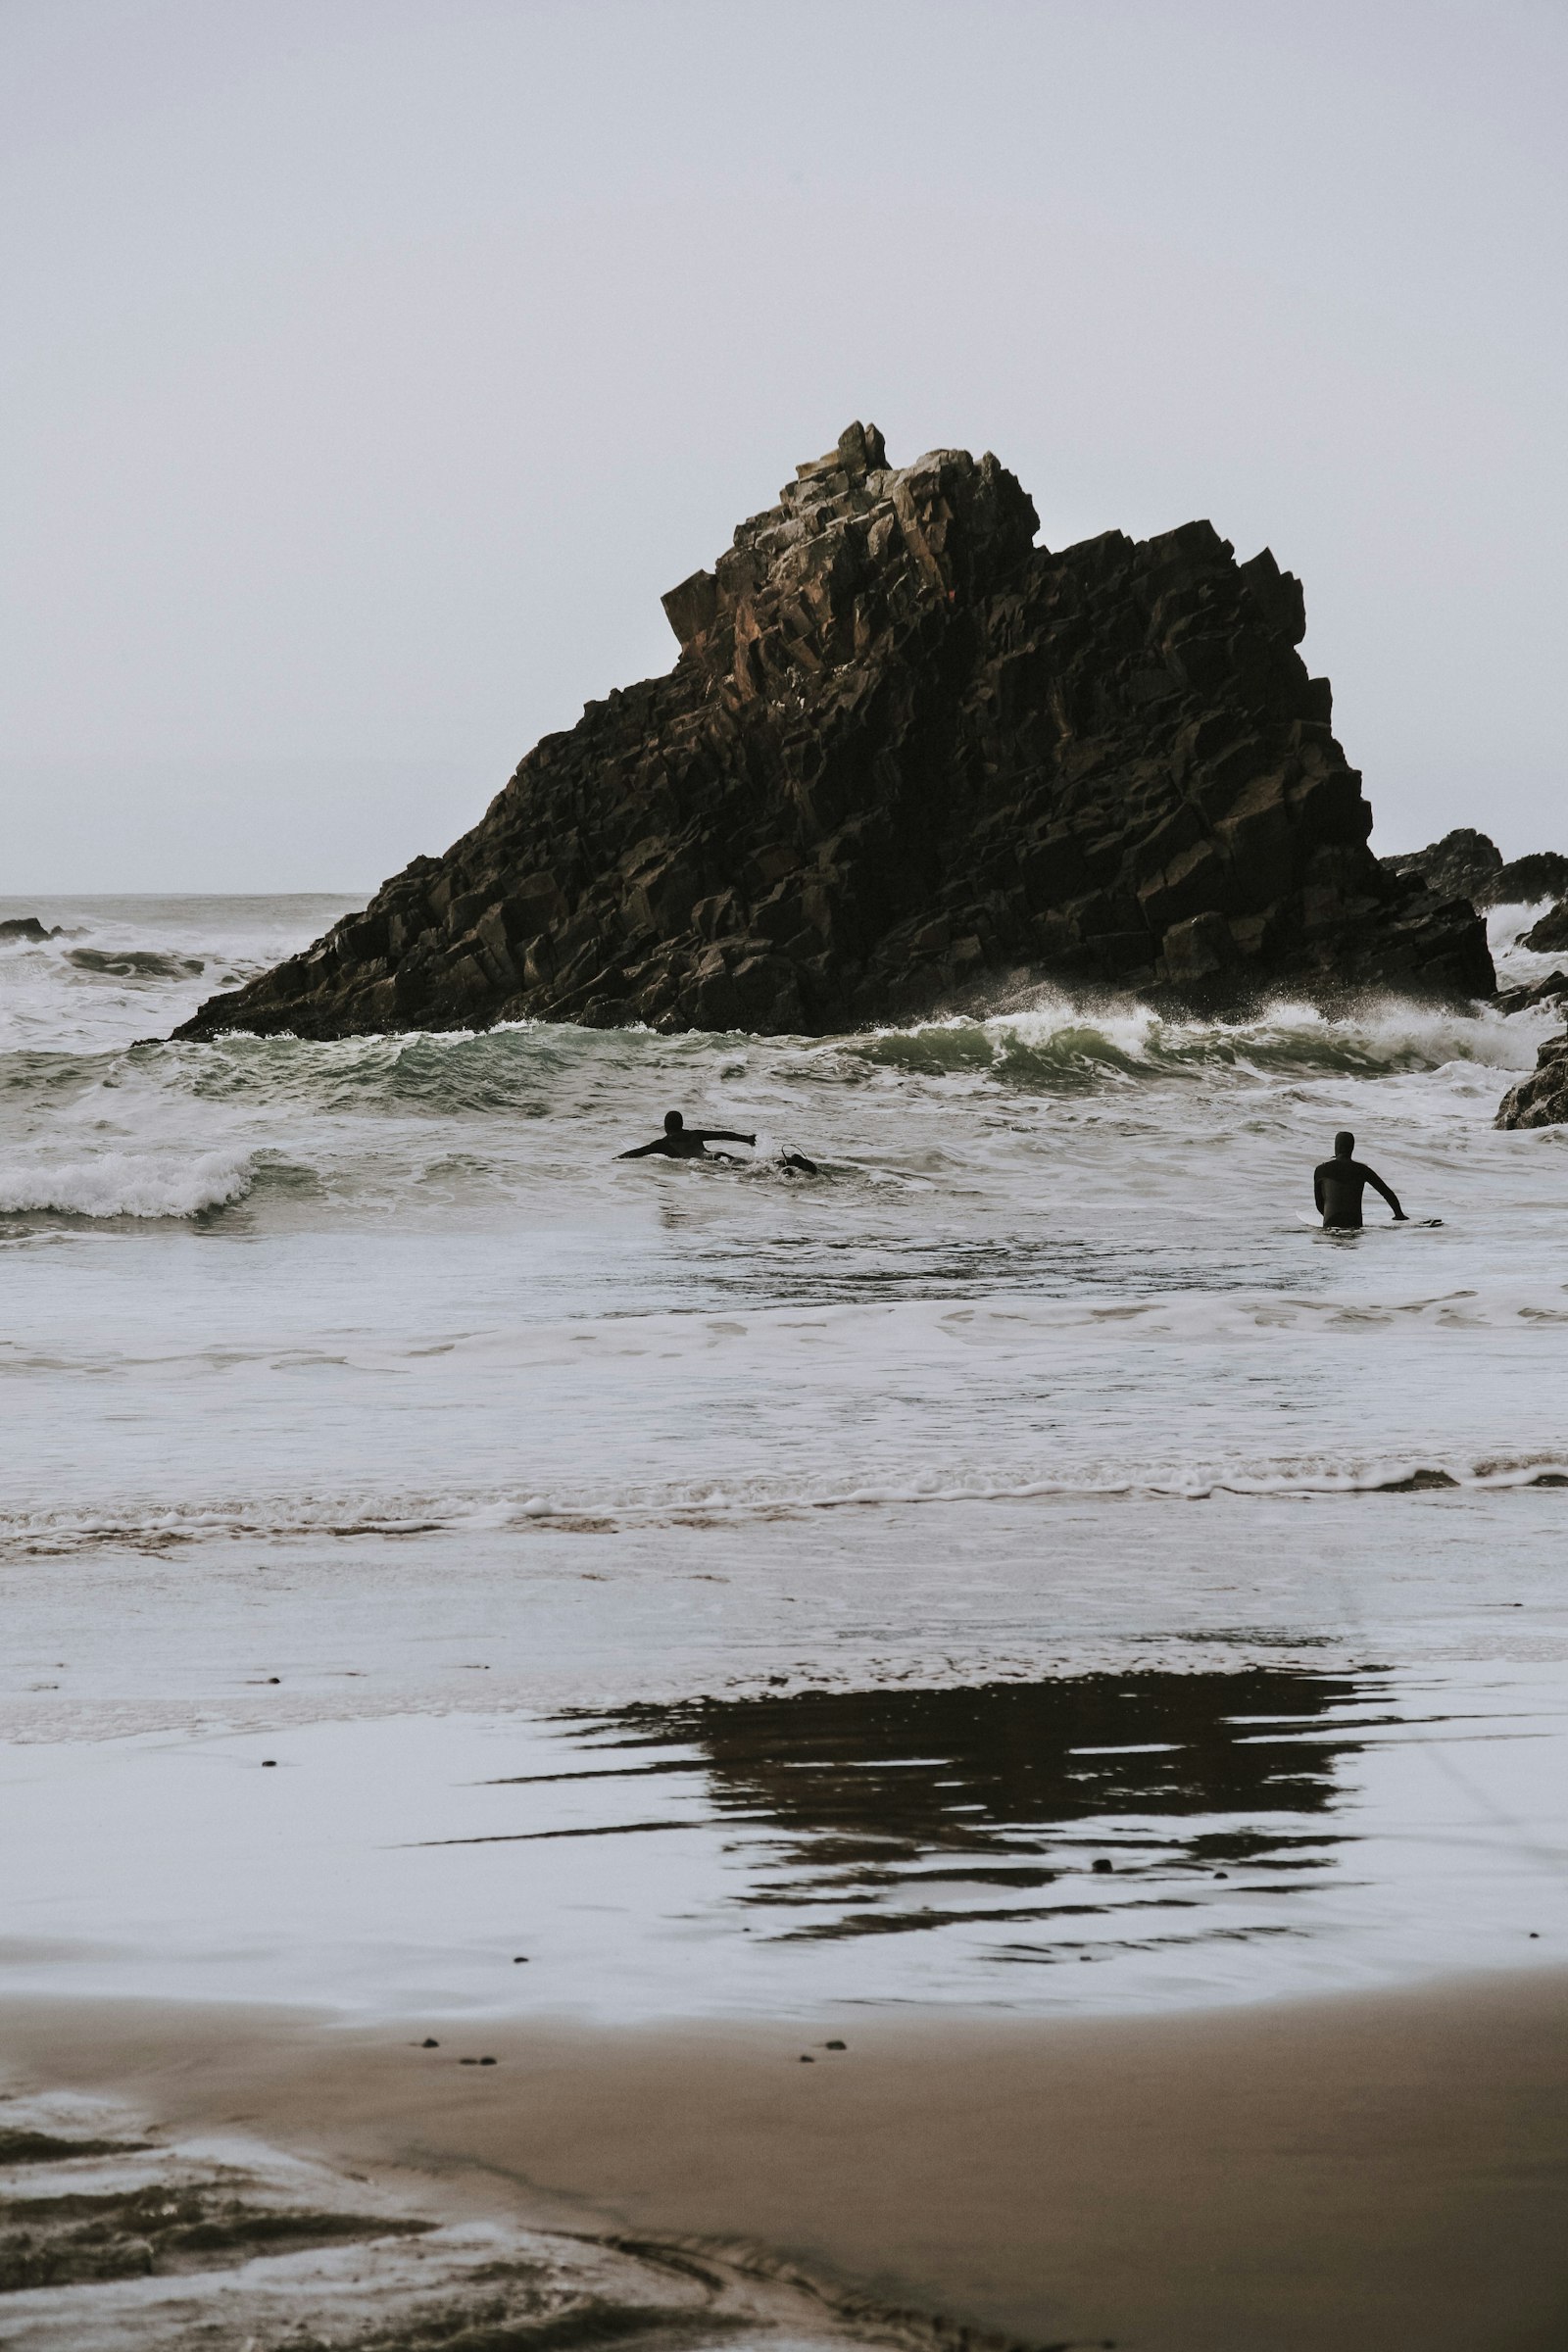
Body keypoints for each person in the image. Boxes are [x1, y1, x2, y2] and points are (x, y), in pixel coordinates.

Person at [1313, 1130, 1407, 1229]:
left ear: (1336, 1147)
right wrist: (1399, 1215)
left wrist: (1328, 1215)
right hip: (1354, 1222)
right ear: (1352, 1148)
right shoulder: (1362, 1170)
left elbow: (1319, 1203)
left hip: (1331, 1222)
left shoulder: (1321, 1170)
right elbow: (1387, 1193)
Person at [618, 1109, 758, 1161]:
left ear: (666, 1127)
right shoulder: (694, 1134)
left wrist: (617, 1158)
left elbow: (640, 1152)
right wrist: (746, 1139)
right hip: (719, 1155)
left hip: (704, 1164)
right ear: (682, 1124)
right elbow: (722, 1134)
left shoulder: (663, 1144)